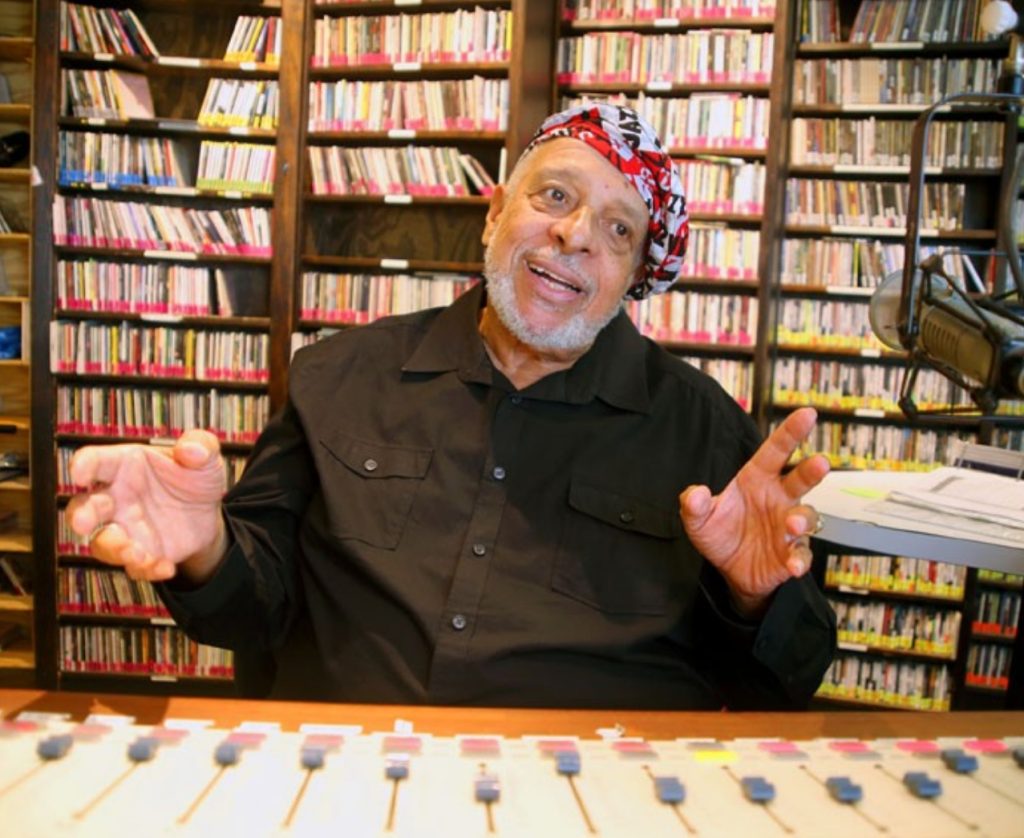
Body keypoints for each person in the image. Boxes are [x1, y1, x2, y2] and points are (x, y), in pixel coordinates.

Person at [67, 104, 836, 709]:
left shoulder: (706, 429)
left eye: (617, 229)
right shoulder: (335, 376)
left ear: (632, 273)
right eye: (556, 195)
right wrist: (205, 548)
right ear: (495, 214)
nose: (573, 235)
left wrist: (752, 597)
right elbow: (250, 615)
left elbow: (782, 686)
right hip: (342, 781)